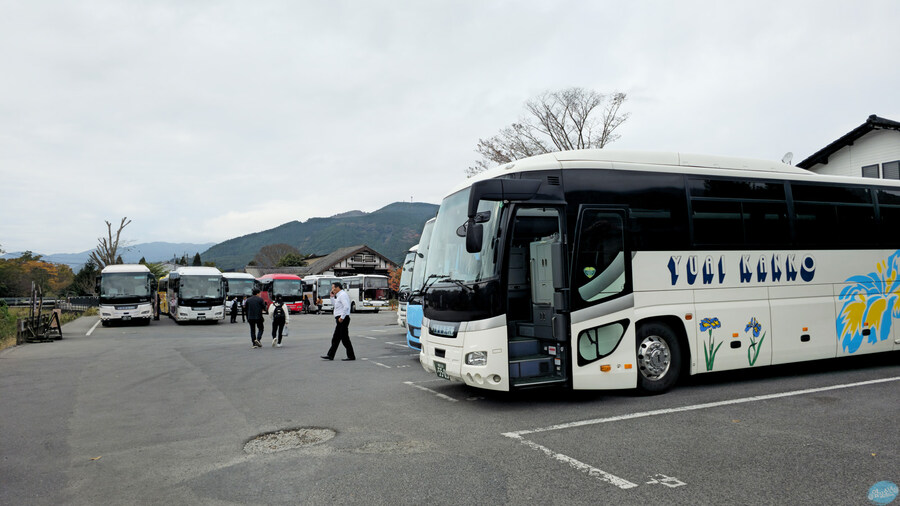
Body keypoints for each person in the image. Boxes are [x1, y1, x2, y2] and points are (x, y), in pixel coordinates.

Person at [322, 281, 355, 361]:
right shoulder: (339, 295)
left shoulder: (343, 295)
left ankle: (351, 356)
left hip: (343, 319)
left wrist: (342, 317)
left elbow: (346, 307)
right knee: (336, 338)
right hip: (340, 318)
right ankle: (330, 355)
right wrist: (332, 297)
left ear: (337, 287)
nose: (332, 289)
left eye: (333, 288)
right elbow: (335, 305)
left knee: (344, 338)